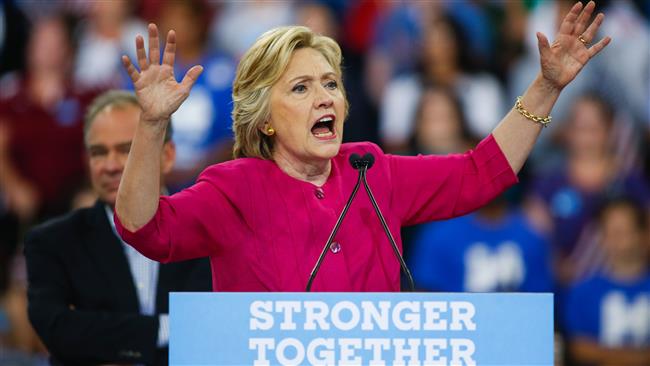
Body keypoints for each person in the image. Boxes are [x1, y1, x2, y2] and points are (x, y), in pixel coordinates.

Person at [115, 1, 610, 292]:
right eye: (301, 88)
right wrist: (152, 123)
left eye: (330, 83)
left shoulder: (371, 170)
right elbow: (145, 230)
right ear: (263, 119)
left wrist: (546, 87)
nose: (325, 97)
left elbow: (481, 174)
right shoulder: (233, 188)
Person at [24, 91, 212, 365]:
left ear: (167, 155)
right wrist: (164, 329)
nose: (110, 166)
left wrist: (102, 332)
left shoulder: (210, 234)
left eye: (127, 149)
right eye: (98, 152)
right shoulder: (52, 241)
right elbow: (58, 330)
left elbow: (216, 330)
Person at [562, 198, 650, 366]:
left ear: (643, 234)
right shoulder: (583, 290)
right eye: (611, 231)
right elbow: (577, 348)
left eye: (625, 231)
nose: (618, 239)